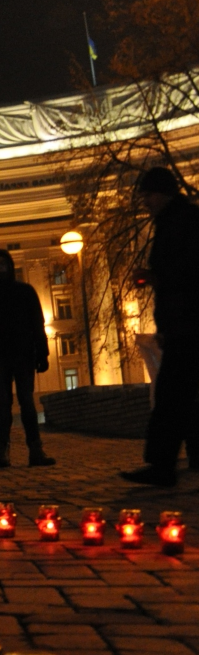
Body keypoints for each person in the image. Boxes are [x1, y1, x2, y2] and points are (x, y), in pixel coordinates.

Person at [120, 167, 199, 487]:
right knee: (185, 394)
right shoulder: (179, 220)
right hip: (184, 321)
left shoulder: (180, 223)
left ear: (163, 193)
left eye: (148, 194)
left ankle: (162, 465)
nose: (144, 202)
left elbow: (185, 273)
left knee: (170, 395)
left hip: (189, 322)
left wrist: (153, 277)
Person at [0, 249, 56, 468]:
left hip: (23, 355)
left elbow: (37, 323)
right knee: (3, 405)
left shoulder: (25, 291)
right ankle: (3, 452)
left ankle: (35, 450)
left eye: (3, 263)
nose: (0, 267)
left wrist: (43, 353)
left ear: (10, 265)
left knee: (27, 402)